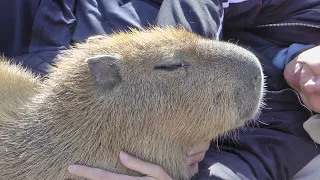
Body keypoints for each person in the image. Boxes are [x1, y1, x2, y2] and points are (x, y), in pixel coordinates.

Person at [1, 0, 320, 179]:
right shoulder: (308, 11)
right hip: (61, 13)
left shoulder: (296, 142)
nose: (311, 83)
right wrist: (164, 63)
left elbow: (238, 174)